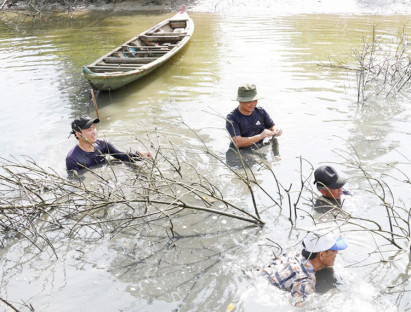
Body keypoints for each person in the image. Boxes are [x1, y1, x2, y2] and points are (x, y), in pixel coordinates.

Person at [258, 230, 348, 306]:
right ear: (322, 254)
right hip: (259, 290)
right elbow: (299, 307)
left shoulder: (292, 255)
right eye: (334, 249)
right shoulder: (305, 282)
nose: (337, 252)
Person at [66, 115, 151, 173]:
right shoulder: (72, 159)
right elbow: (76, 181)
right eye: (89, 130)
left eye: (94, 128)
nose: (94, 132)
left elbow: (121, 156)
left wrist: (139, 155)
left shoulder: (103, 144)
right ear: (78, 134)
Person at [225, 83, 282, 149]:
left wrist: (277, 131)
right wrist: (260, 136)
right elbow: (238, 142)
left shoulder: (261, 112)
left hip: (260, 147)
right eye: (249, 101)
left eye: (255, 100)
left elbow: (272, 127)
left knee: (275, 141)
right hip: (241, 151)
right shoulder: (232, 118)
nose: (253, 104)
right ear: (240, 101)